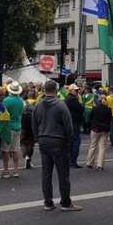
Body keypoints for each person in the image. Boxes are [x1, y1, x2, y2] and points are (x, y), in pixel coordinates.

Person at [32, 80, 82, 211]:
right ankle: (65, 202)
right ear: (56, 90)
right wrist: (68, 141)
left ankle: (48, 202)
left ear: (44, 90)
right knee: (63, 174)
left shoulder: (38, 105)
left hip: (43, 140)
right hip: (58, 141)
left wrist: (37, 137)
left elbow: (34, 123)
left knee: (46, 173)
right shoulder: (60, 105)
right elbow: (68, 126)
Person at [2, 82, 25, 178]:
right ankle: (16, 170)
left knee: (6, 150)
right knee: (15, 149)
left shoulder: (6, 100)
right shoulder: (21, 101)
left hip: (8, 126)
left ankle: (6, 170)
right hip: (18, 126)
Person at [85, 95, 111, 170]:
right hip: (104, 129)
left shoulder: (95, 108)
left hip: (95, 129)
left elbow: (90, 117)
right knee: (102, 147)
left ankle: (89, 162)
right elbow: (109, 120)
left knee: (93, 146)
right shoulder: (108, 109)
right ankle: (100, 165)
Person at [65, 84, 84, 168]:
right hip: (74, 123)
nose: (77, 91)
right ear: (71, 90)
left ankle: (69, 160)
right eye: (75, 90)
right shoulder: (72, 99)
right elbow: (80, 108)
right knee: (75, 142)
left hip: (69, 122)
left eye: (77, 90)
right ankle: (73, 161)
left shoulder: (67, 98)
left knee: (70, 142)